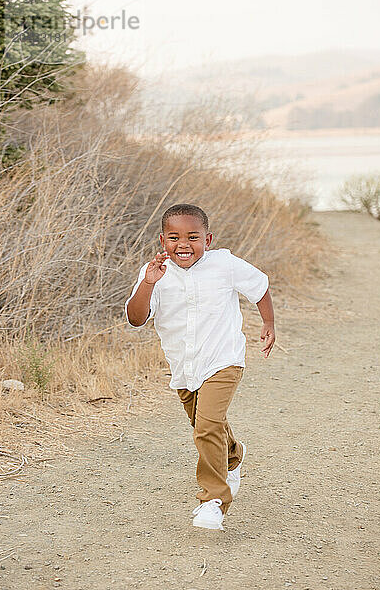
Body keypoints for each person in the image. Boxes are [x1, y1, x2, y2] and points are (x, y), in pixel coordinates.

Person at [125, 203, 275, 531]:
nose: (184, 244)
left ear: (208, 239)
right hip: (184, 366)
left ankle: (214, 500)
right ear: (162, 240)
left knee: (206, 427)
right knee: (203, 422)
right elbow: (136, 319)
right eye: (175, 237)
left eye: (193, 236)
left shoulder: (223, 264)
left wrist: (269, 323)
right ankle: (233, 454)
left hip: (224, 360)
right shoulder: (153, 273)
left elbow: (259, 286)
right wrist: (149, 283)